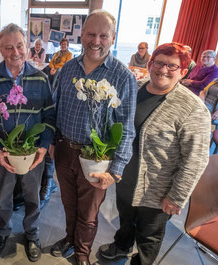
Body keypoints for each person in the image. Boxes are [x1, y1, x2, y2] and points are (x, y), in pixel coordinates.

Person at [98, 42, 211, 265]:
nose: (163, 70)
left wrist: (177, 196)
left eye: (172, 66)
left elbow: (195, 160)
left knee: (149, 235)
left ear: (183, 72)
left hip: (158, 190)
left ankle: (141, 261)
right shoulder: (134, 88)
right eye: (159, 63)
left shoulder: (193, 109)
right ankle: (121, 246)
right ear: (150, 64)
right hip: (124, 176)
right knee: (125, 218)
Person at [50, 10, 137, 265]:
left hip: (96, 158)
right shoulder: (67, 68)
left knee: (88, 213)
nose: (95, 40)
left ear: (113, 37)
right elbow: (56, 108)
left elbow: (126, 126)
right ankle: (68, 238)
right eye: (90, 34)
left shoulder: (123, 76)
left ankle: (81, 253)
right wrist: (53, 142)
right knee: (68, 204)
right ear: (82, 34)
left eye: (103, 35)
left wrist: (116, 169)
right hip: (65, 150)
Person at [0, 23, 56, 262]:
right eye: (8, 47)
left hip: (33, 154)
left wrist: (42, 148)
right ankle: (3, 231)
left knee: (33, 196)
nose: (15, 52)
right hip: (4, 154)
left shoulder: (40, 78)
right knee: (3, 197)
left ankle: (32, 234)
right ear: (0, 48)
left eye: (19, 45)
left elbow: (50, 116)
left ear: (27, 46)